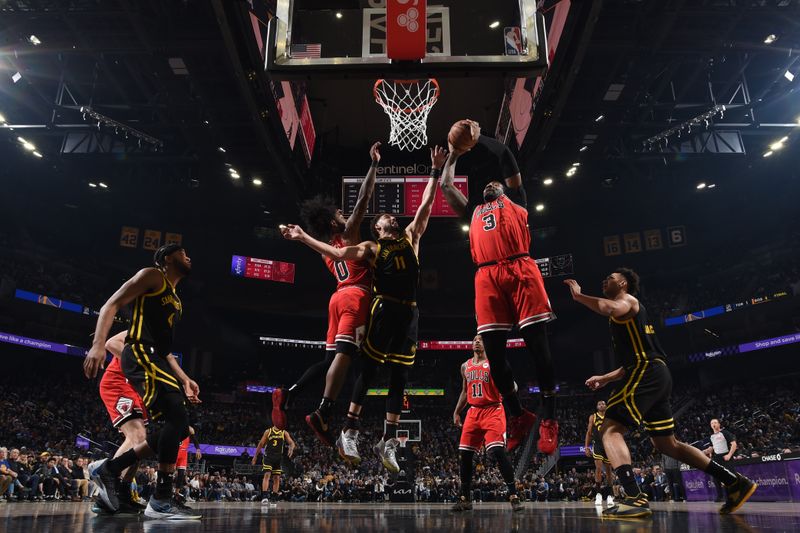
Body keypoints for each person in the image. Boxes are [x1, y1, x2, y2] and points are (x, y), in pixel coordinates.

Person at [282, 146, 445, 471]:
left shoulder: (412, 235)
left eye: (390, 217)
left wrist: (436, 172)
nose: (389, 216)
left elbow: (426, 204)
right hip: (375, 306)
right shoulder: (368, 246)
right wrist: (302, 238)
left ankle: (386, 440)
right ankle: (345, 427)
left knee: (398, 375)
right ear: (379, 228)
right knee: (365, 368)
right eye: (385, 218)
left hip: (407, 312)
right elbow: (341, 251)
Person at [564, 268, 757, 518]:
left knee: (609, 430)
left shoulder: (627, 301)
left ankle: (634, 497)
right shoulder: (632, 315)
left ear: (623, 283)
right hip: (656, 373)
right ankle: (735, 482)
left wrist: (579, 296)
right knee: (667, 444)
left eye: (610, 278)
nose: (604, 280)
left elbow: (608, 309)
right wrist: (605, 378)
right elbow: (633, 360)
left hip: (646, 372)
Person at [439, 124, 559, 454]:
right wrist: (453, 154)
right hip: (487, 276)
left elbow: (506, 155)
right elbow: (446, 184)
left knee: (537, 345)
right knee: (493, 354)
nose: (491, 184)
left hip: (520, 268)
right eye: (487, 184)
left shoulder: (517, 200)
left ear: (504, 188)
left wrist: (478, 141)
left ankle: (549, 416)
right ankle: (518, 414)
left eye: (496, 182)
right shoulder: (473, 211)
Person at [83, 244, 202, 520]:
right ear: (167, 259)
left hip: (154, 359)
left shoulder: (175, 299)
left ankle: (111, 471)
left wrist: (184, 379)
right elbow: (110, 304)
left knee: (178, 427)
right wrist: (98, 345)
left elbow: (165, 352)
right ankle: (160, 499)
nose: (189, 256)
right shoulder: (153, 276)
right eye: (183, 253)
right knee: (177, 418)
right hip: (138, 354)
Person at [273, 142, 381, 441]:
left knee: (329, 360)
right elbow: (363, 198)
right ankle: (323, 410)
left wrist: (302, 236)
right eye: (340, 212)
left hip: (335, 299)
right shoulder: (347, 235)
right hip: (355, 296)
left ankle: (289, 392)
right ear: (334, 221)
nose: (346, 213)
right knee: (347, 356)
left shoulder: (325, 250)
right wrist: (373, 165)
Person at [451, 334, 523, 512]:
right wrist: (456, 411)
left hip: (493, 409)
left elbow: (513, 386)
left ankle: (513, 494)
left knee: (497, 451)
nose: (476, 341)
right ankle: (465, 498)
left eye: (480, 339)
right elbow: (464, 392)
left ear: (487, 344)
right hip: (473, 412)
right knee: (465, 455)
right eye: (474, 339)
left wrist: (510, 388)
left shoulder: (495, 363)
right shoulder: (465, 366)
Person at [91, 329, 150, 514]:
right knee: (138, 437)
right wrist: (140, 366)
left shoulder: (161, 341)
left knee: (142, 445)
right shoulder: (142, 326)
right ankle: (105, 475)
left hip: (134, 389)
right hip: (118, 382)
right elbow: (111, 344)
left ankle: (122, 493)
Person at [252, 425, 296, 505]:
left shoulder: (284, 432)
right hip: (268, 457)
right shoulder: (268, 431)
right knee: (267, 475)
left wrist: (291, 448)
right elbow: (261, 444)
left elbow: (292, 442)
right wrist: (255, 456)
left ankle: (274, 497)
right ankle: (265, 496)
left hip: (278, 458)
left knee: (276, 478)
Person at [584, 400, 615, 506]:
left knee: (609, 471)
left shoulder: (610, 416)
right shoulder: (593, 417)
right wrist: (586, 447)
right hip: (597, 444)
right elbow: (588, 433)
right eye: (599, 404)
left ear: (606, 406)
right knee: (598, 468)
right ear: (597, 407)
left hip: (608, 444)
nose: (602, 405)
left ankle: (610, 495)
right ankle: (598, 495)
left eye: (603, 403)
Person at [703, 419, 737, 502]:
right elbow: (711, 447)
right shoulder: (711, 436)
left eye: (715, 422)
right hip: (716, 458)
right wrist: (704, 451)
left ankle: (731, 497)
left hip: (725, 456)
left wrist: (729, 455)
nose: (713, 424)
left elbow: (734, 444)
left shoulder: (725, 433)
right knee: (716, 477)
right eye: (711, 423)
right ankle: (720, 496)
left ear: (719, 424)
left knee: (728, 477)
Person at [175, 426, 202, 502]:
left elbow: (194, 439)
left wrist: (198, 449)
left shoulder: (189, 428)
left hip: (183, 452)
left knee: (181, 474)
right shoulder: (173, 425)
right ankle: (164, 493)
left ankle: (176, 493)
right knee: (169, 472)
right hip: (175, 450)